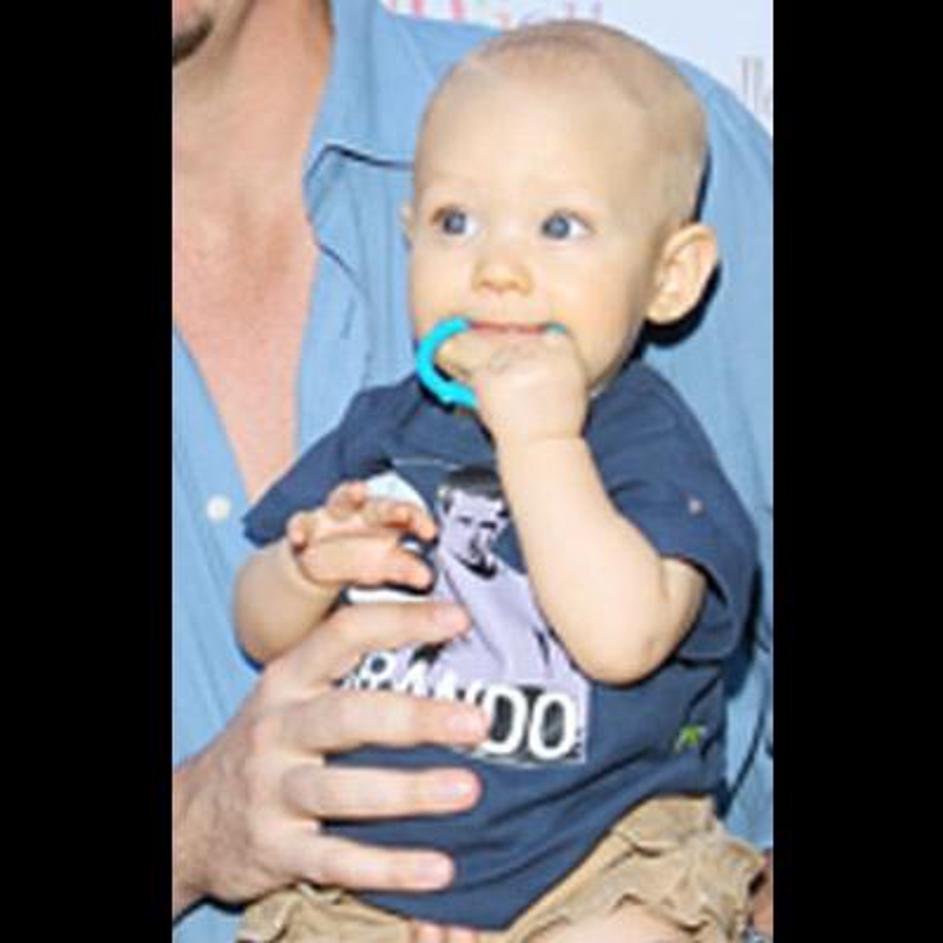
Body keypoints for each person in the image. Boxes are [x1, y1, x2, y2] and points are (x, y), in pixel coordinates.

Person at [171, 1, 772, 941]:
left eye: (560, 227)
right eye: (455, 222)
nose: (497, 270)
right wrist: (304, 564)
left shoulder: (645, 431)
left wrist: (540, 443)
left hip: (601, 868)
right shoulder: (387, 424)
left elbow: (624, 636)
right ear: (412, 233)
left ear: (671, 277)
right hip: (354, 893)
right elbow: (259, 619)